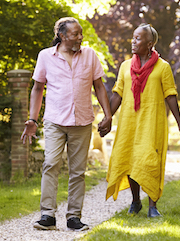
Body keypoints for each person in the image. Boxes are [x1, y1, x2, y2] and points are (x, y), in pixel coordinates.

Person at [21, 17, 112, 231]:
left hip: (82, 121)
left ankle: (73, 217)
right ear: (62, 36)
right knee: (50, 163)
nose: (80, 37)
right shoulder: (45, 56)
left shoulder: (89, 55)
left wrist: (108, 115)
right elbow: (37, 89)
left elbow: (99, 86)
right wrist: (32, 119)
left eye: (81, 33)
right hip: (55, 120)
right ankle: (47, 215)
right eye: (75, 34)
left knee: (78, 171)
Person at [98, 23, 180, 218]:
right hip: (129, 122)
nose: (133, 41)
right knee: (131, 160)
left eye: (138, 39)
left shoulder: (162, 67)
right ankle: (136, 201)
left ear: (149, 44)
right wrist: (108, 117)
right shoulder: (125, 67)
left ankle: (152, 205)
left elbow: (171, 96)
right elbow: (117, 95)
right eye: (133, 37)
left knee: (149, 160)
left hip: (152, 122)